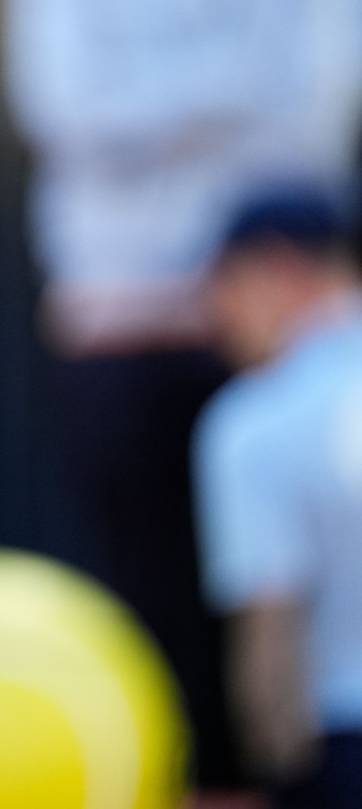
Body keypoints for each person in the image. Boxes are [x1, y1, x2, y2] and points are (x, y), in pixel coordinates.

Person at [1, 0, 362, 791]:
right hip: (119, 327)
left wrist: (157, 112)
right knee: (143, 588)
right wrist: (233, 99)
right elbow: (66, 113)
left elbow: (313, 126)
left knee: (280, 589)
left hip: (269, 338)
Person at [193, 190, 362, 808]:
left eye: (227, 284)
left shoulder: (257, 420)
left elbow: (270, 622)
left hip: (341, 750)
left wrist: (279, 771)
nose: (215, 315)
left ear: (280, 269)